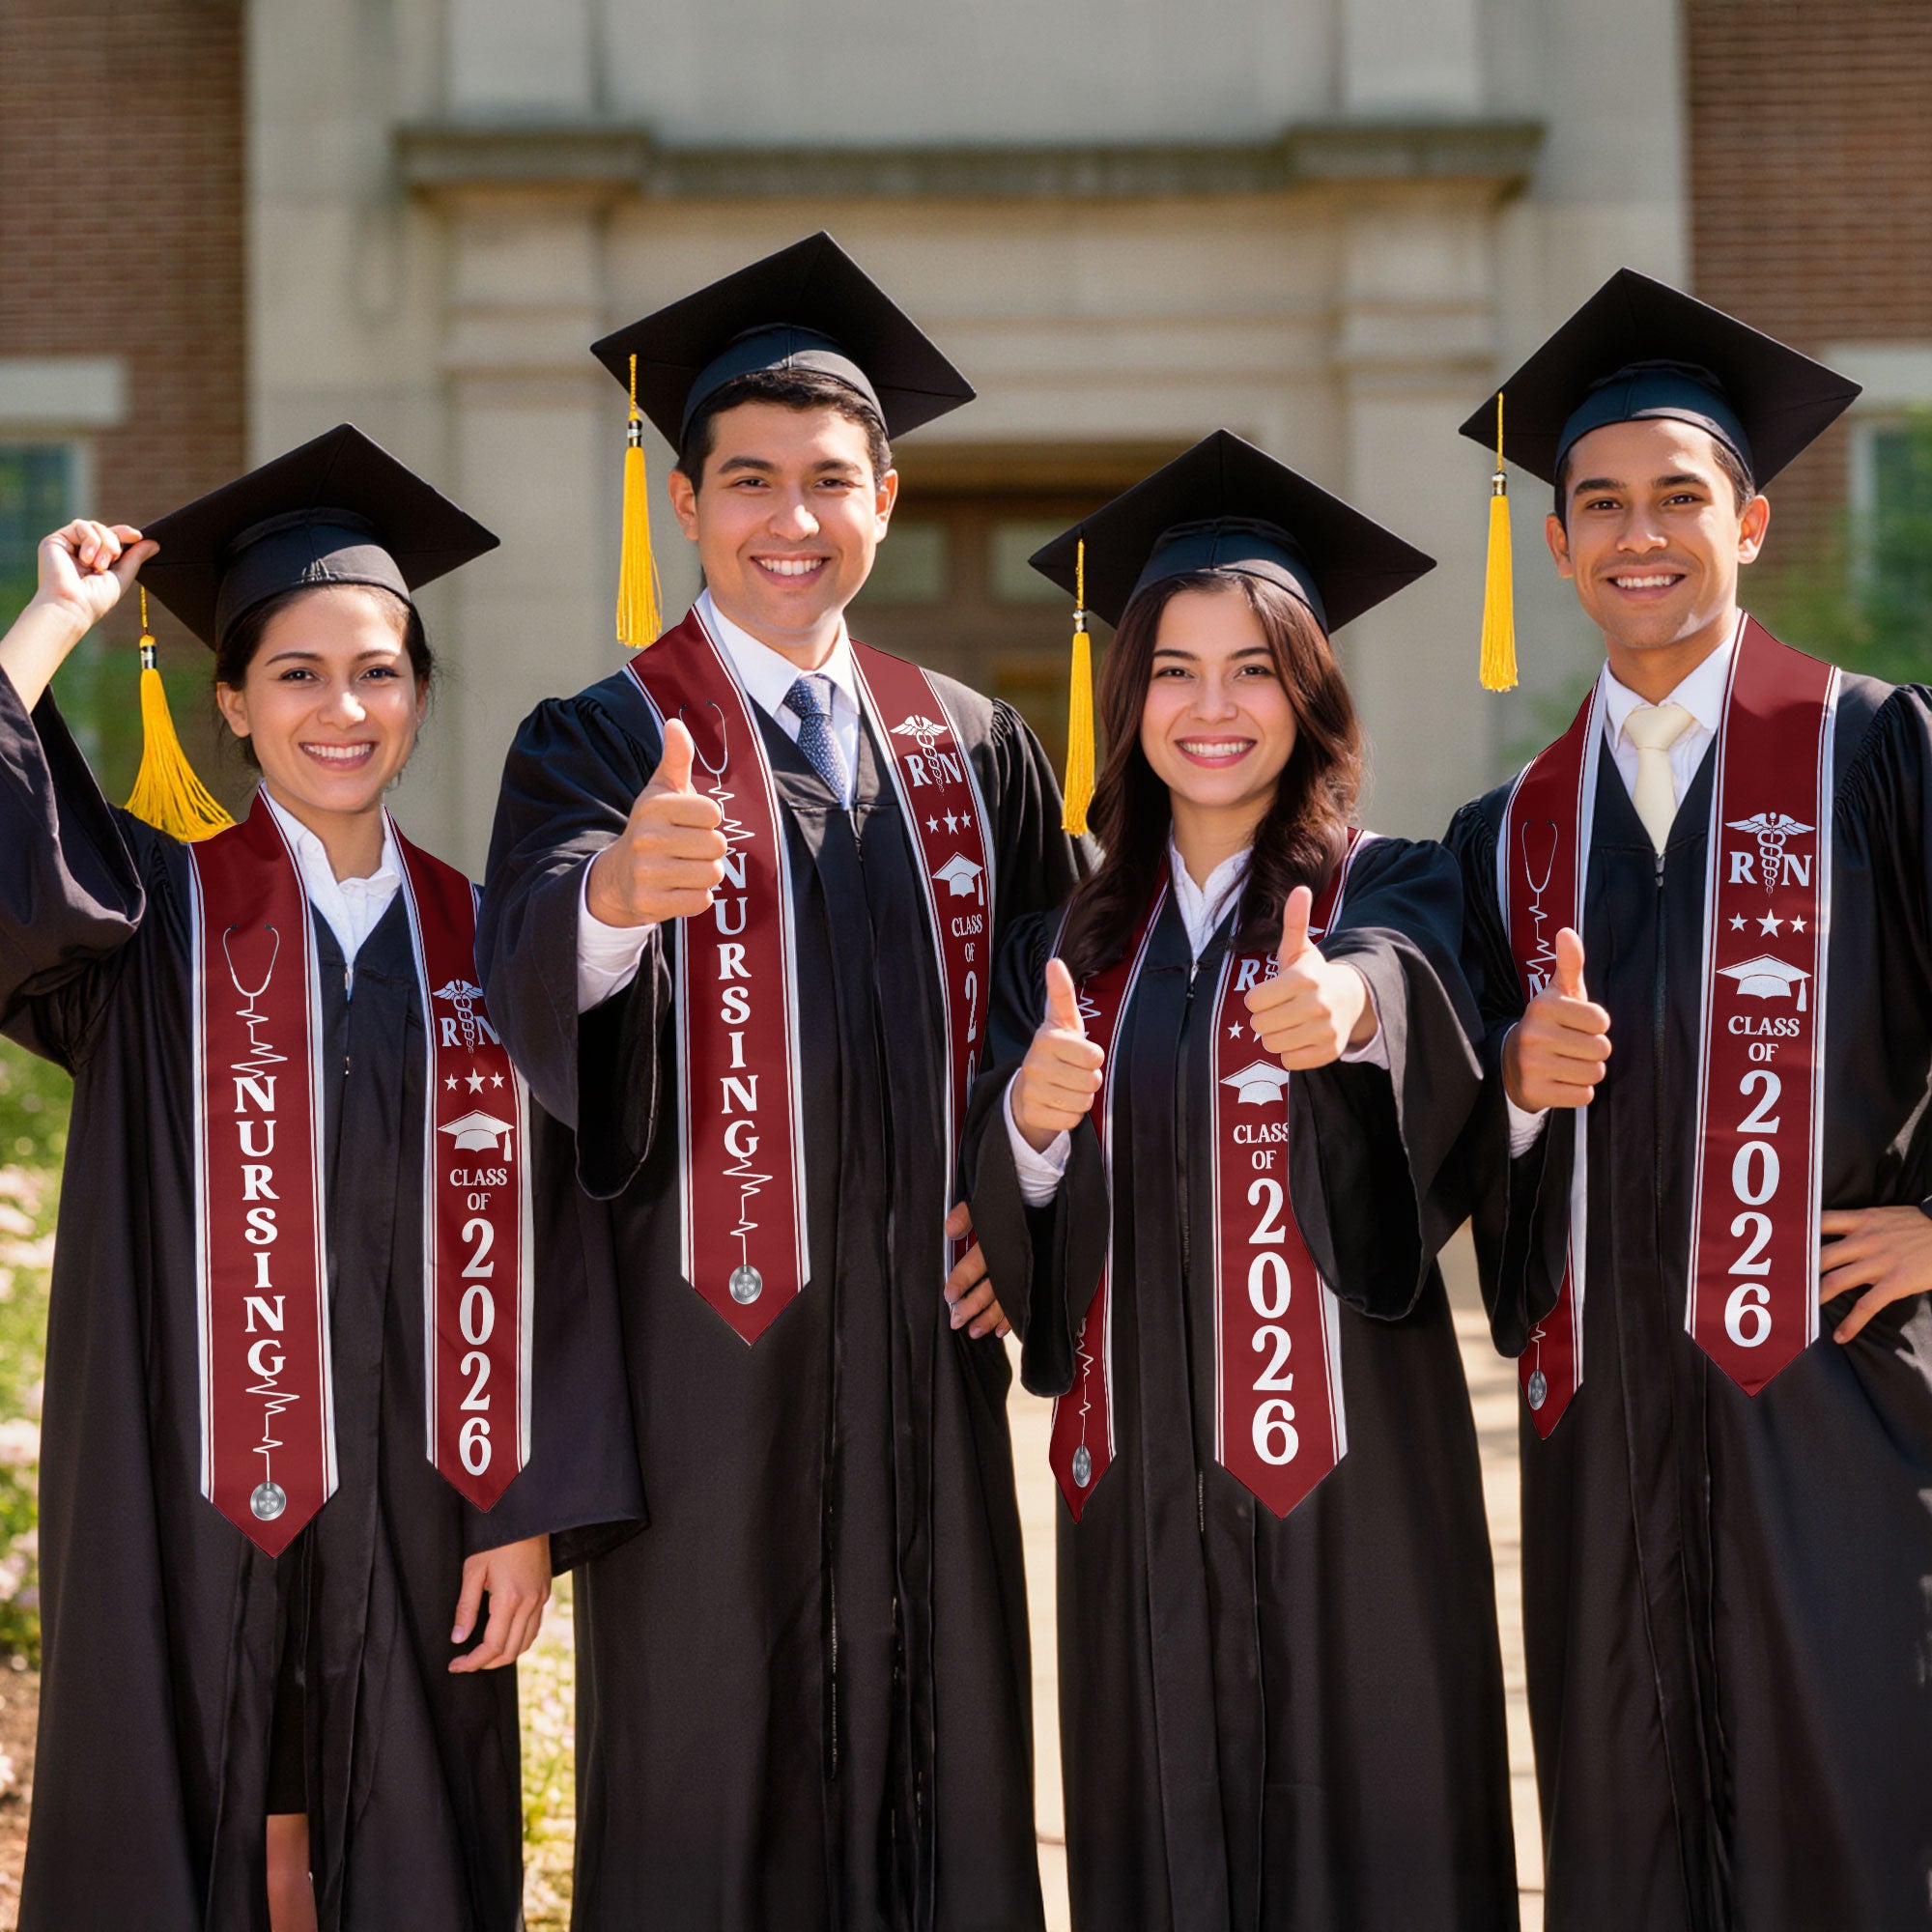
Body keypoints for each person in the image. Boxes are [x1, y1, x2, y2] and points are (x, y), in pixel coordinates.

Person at [478, 233, 1083, 1930]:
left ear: (886, 498)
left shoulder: (971, 744)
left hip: (925, 1367)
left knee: (941, 1761)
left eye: (829, 481)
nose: (790, 518)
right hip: (704, 1375)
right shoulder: (600, 737)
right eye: (748, 481)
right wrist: (613, 899)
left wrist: (1022, 1202)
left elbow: (1068, 1005)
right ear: (686, 504)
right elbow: (525, 968)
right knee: (710, 1774)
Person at [0, 425, 642, 1932]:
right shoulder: (150, 921)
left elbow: (561, 1241)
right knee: (191, 1805)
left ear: (418, 694)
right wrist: (52, 622)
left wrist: (526, 1507)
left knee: (403, 1831)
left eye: (378, 672)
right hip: (181, 1482)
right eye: (296, 673)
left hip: (425, 1494)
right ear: (231, 701)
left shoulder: (492, 941)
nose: (341, 709)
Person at [961, 432, 1518, 1930]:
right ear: (1126, 698)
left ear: (1310, 693)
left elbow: (1415, 992)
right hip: (1136, 1486)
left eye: (1254, 670)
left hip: (1353, 1485)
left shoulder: (1390, 884)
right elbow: (1012, 1211)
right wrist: (1029, 1126)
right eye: (1175, 671)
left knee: (1373, 1836)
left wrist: (1352, 1010)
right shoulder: (1065, 945)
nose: (1213, 709)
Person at [1446, 270, 1932, 1931]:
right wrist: (1513, 1090)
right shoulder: (1511, 832)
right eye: (1599, 504)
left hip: (1839, 1405)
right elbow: (1448, 1134)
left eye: (1678, 497)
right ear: (1558, 543)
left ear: (1752, 522)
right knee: (1628, 1834)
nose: (1637, 534)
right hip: (1606, 1438)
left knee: (1855, 1821)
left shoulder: (1878, 756)